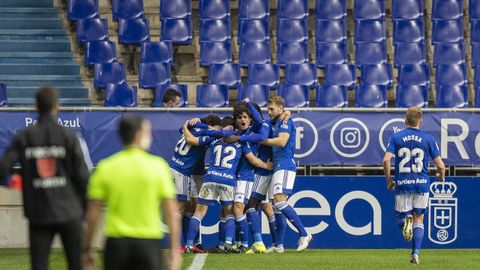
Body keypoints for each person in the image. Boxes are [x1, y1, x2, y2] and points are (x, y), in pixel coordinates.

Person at [0, 86, 90, 270]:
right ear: (57, 107)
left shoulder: (24, 137)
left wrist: (13, 181)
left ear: (36, 107)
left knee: (39, 266)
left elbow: (2, 169)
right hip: (70, 212)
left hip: (39, 213)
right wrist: (85, 210)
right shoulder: (69, 136)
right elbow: (82, 177)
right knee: (76, 264)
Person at [82, 115, 181, 270]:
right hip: (148, 244)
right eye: (148, 132)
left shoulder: (106, 167)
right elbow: (171, 212)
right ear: (138, 135)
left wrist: (86, 249)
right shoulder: (158, 166)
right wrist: (174, 251)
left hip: (116, 244)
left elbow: (93, 213)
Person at [182, 117, 272, 253]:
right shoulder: (240, 140)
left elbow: (192, 140)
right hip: (228, 180)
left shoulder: (212, 138)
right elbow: (252, 157)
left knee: (199, 212)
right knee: (229, 213)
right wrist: (267, 165)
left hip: (211, 178)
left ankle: (189, 245)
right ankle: (229, 244)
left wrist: (190, 125)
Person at [383, 107, 445, 265]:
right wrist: (441, 177)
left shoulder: (396, 137)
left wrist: (389, 180)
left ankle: (405, 223)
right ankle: (415, 254)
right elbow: (441, 166)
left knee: (400, 218)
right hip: (422, 185)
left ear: (405, 120)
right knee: (420, 219)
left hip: (403, 184)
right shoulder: (429, 138)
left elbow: (385, 160)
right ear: (421, 121)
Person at [262, 96, 312, 253]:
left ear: (280, 109)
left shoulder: (286, 121)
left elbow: (282, 141)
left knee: (278, 202)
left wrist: (261, 140)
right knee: (277, 208)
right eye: (268, 109)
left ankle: (304, 234)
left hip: (285, 165)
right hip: (278, 166)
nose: (269, 112)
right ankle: (278, 245)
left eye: (271, 109)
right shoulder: (277, 122)